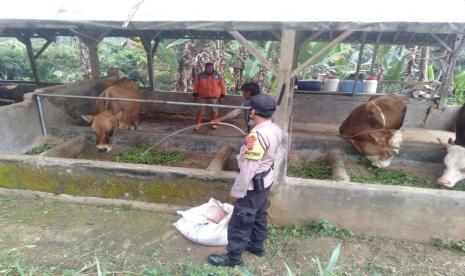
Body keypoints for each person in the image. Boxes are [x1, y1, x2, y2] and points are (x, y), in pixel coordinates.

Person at [208, 94, 283, 267]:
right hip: (265, 180)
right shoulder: (274, 129)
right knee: (259, 213)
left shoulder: (256, 136)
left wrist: (239, 190)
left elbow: (249, 167)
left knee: (241, 219)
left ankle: (233, 258)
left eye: (251, 108)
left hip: (253, 183)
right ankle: (257, 246)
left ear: (254, 111)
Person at [192, 62, 226, 131]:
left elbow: (223, 86)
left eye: (210, 68)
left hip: (215, 97)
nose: (208, 69)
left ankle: (213, 124)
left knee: (214, 111)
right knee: (200, 111)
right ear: (205, 68)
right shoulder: (200, 75)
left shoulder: (218, 75)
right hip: (202, 96)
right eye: (207, 68)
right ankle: (198, 124)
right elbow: (196, 85)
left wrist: (222, 95)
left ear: (213, 68)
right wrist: (195, 94)